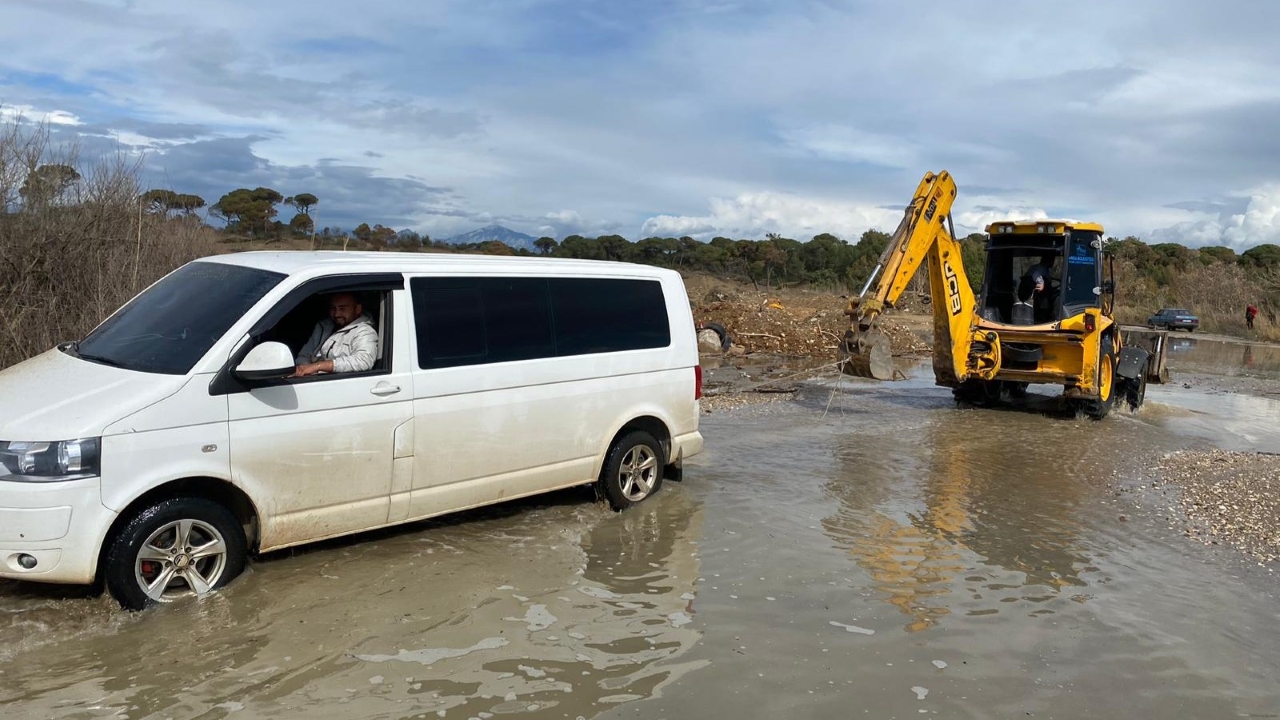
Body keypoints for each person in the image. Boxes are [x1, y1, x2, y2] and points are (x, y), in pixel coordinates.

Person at [292, 292, 378, 377]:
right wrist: (304, 370)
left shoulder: (364, 331)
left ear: (358, 309)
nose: (336, 314)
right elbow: (304, 354)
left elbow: (364, 361)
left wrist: (318, 366)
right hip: (311, 381)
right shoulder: (324, 326)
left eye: (342, 308)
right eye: (333, 308)